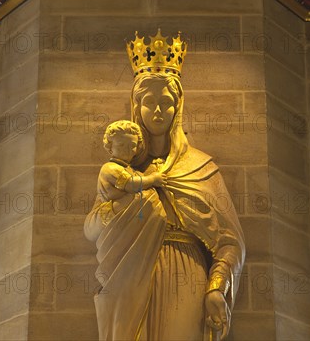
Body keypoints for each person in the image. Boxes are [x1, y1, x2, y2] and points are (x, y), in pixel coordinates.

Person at [84, 30, 245, 341]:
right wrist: (120, 209)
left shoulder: (200, 167)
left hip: (186, 272)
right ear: (136, 106)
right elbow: (91, 228)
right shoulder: (120, 172)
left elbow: (230, 242)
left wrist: (217, 288)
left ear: (178, 108)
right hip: (129, 270)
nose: (157, 110)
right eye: (148, 102)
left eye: (166, 102)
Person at [96, 120, 167, 223]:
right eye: (121, 145)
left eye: (132, 145)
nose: (127, 149)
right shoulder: (110, 168)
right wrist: (152, 179)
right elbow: (131, 184)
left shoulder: (129, 170)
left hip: (124, 216)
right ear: (110, 147)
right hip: (109, 216)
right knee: (144, 197)